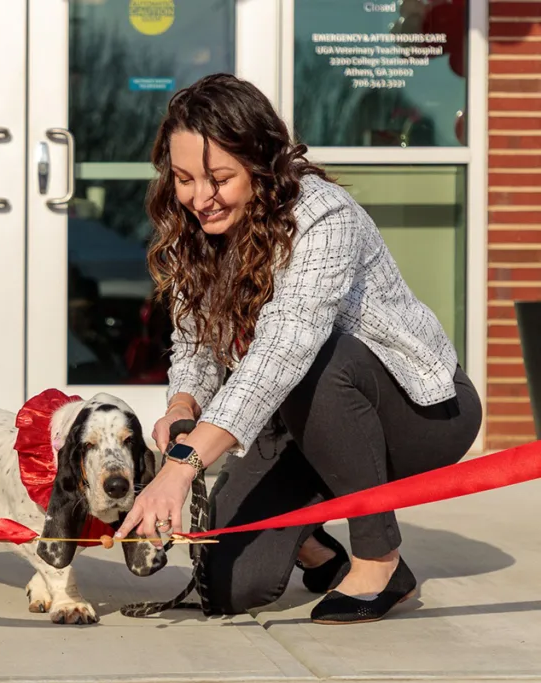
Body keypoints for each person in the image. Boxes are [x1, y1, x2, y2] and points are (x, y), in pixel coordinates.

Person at [114, 73, 482, 625]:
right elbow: (194, 343)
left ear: (262, 164)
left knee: (321, 360)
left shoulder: (323, 216)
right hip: (301, 421)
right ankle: (313, 542)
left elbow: (284, 352)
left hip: (418, 412)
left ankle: (378, 558)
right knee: (228, 585)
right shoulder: (197, 229)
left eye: (219, 179)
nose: (199, 199)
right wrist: (182, 405)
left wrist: (183, 467)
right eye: (184, 179)